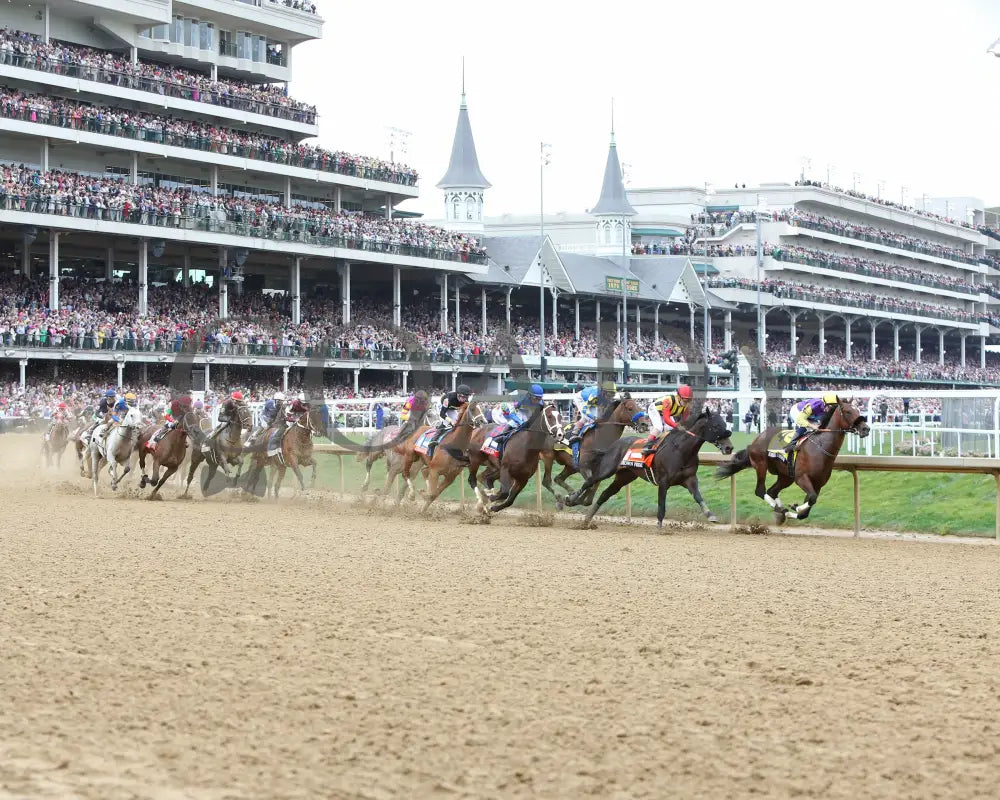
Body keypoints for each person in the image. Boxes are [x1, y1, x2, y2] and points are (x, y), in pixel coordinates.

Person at [642, 384, 693, 456]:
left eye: (689, 400)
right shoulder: (668, 401)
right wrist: (677, 426)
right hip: (655, 409)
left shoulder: (687, 406)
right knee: (658, 427)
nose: (686, 403)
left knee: (670, 429)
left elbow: (685, 420)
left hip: (667, 413)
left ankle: (663, 445)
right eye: (685, 400)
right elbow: (666, 419)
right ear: (678, 396)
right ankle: (647, 446)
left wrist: (684, 427)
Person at [427, 384, 472, 455]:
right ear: (458, 395)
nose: (464, 399)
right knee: (445, 423)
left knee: (458, 423)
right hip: (442, 407)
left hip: (452, 409)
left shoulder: (466, 400)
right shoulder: (448, 399)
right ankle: (433, 441)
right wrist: (451, 421)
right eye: (463, 397)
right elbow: (442, 414)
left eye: (466, 397)